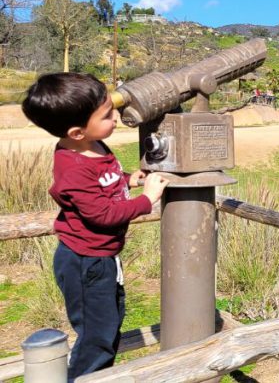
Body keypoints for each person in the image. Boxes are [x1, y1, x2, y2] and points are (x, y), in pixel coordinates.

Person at [21, 73, 169, 380]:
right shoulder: (73, 168)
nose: (115, 117)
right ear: (76, 132)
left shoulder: (93, 145)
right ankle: (84, 378)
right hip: (85, 262)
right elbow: (102, 214)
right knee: (96, 335)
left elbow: (104, 183)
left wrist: (128, 179)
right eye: (106, 115)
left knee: (110, 323)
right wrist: (147, 199)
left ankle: (97, 375)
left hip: (102, 257)